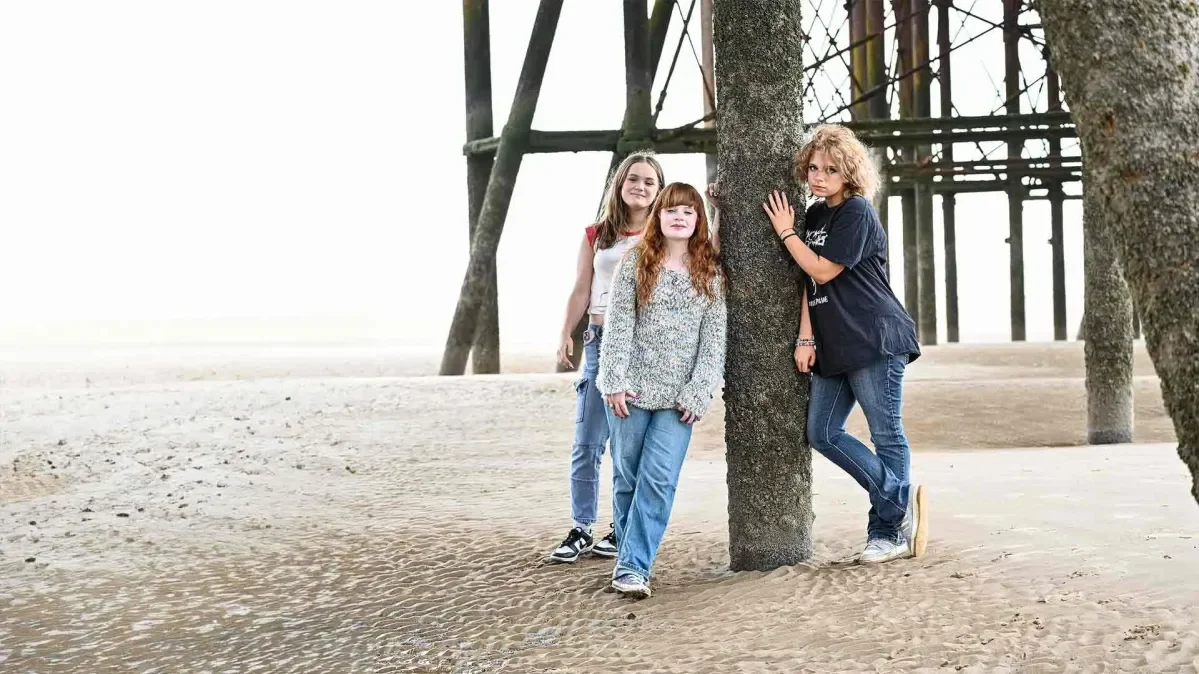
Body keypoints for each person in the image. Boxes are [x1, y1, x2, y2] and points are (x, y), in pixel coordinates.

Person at [761, 124, 929, 564]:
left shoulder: (856, 212)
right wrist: (805, 336)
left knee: (886, 434)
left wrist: (785, 232)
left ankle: (886, 532)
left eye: (831, 169)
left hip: (874, 336)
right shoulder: (814, 216)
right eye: (814, 168)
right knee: (822, 432)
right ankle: (899, 499)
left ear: (849, 174)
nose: (819, 177)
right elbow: (806, 283)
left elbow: (821, 270)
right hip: (834, 344)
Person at [597, 182, 727, 597]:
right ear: (659, 216)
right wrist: (613, 380)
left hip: (678, 401)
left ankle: (634, 567)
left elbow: (714, 339)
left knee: (658, 479)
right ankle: (626, 558)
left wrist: (700, 390)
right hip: (630, 392)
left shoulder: (711, 272)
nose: (679, 217)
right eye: (672, 209)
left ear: (698, 221)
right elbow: (618, 326)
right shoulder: (637, 262)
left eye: (688, 212)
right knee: (626, 479)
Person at [548, 153, 665, 563]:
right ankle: (581, 527)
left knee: (625, 444)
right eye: (633, 178)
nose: (640, 186)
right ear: (620, 183)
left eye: (650, 182)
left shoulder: (662, 232)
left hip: (639, 343)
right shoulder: (597, 234)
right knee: (586, 441)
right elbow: (582, 288)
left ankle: (620, 526)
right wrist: (566, 332)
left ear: (658, 189)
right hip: (598, 339)